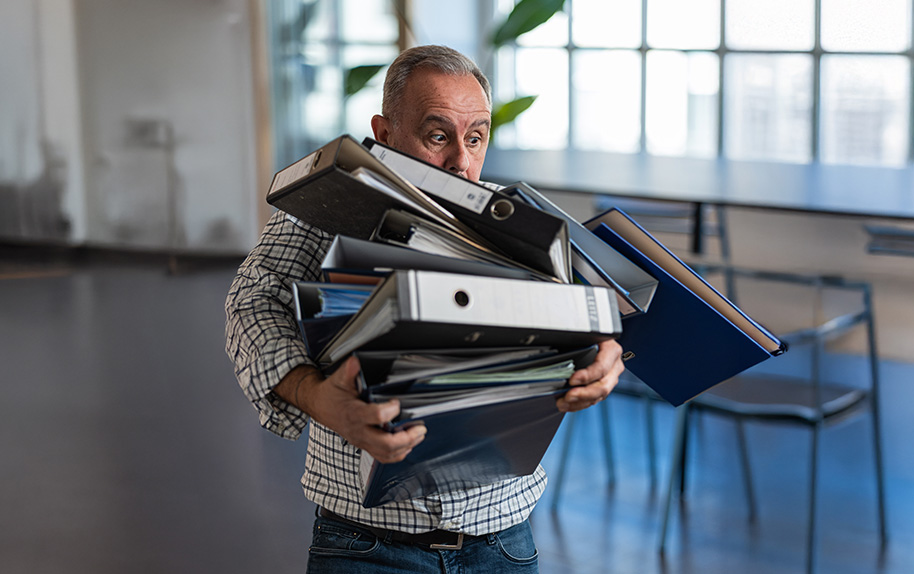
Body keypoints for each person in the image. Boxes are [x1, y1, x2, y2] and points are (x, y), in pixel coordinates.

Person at [225, 44, 625, 573]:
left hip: (502, 542)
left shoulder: (520, 224)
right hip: (363, 546)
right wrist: (316, 397)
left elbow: (584, 324)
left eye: (476, 137)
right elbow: (250, 303)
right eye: (438, 136)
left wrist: (602, 358)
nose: (462, 160)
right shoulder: (322, 206)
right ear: (385, 133)